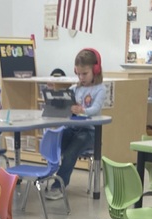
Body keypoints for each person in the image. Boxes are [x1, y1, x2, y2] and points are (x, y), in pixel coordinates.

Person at [45, 48, 107, 201]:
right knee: (54, 143)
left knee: (71, 153)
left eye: (84, 73)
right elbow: (63, 106)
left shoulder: (100, 89)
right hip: (72, 129)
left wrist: (82, 110)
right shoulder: (74, 89)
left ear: (96, 70)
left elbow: (95, 109)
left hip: (90, 133)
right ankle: (45, 176)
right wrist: (54, 94)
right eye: (78, 73)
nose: (81, 77)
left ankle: (59, 185)